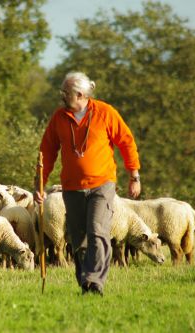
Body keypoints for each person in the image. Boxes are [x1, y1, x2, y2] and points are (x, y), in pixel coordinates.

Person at [34, 71, 141, 296]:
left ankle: (95, 282)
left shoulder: (105, 112)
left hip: (102, 184)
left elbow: (127, 142)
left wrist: (134, 175)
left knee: (98, 231)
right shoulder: (59, 118)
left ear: (81, 94)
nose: (62, 96)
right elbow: (47, 151)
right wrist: (40, 185)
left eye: (66, 92)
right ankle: (85, 282)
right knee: (78, 237)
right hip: (71, 187)